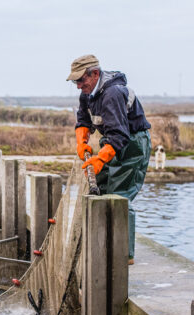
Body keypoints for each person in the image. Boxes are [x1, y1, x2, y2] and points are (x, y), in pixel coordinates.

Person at [67, 54, 151, 265]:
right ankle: (102, 241)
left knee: (120, 193)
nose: (78, 85)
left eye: (81, 80)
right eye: (75, 81)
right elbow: (83, 119)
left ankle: (124, 255)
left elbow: (120, 135)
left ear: (95, 74)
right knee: (101, 186)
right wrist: (82, 141)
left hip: (133, 144)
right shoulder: (88, 93)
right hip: (114, 140)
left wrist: (100, 159)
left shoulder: (112, 93)